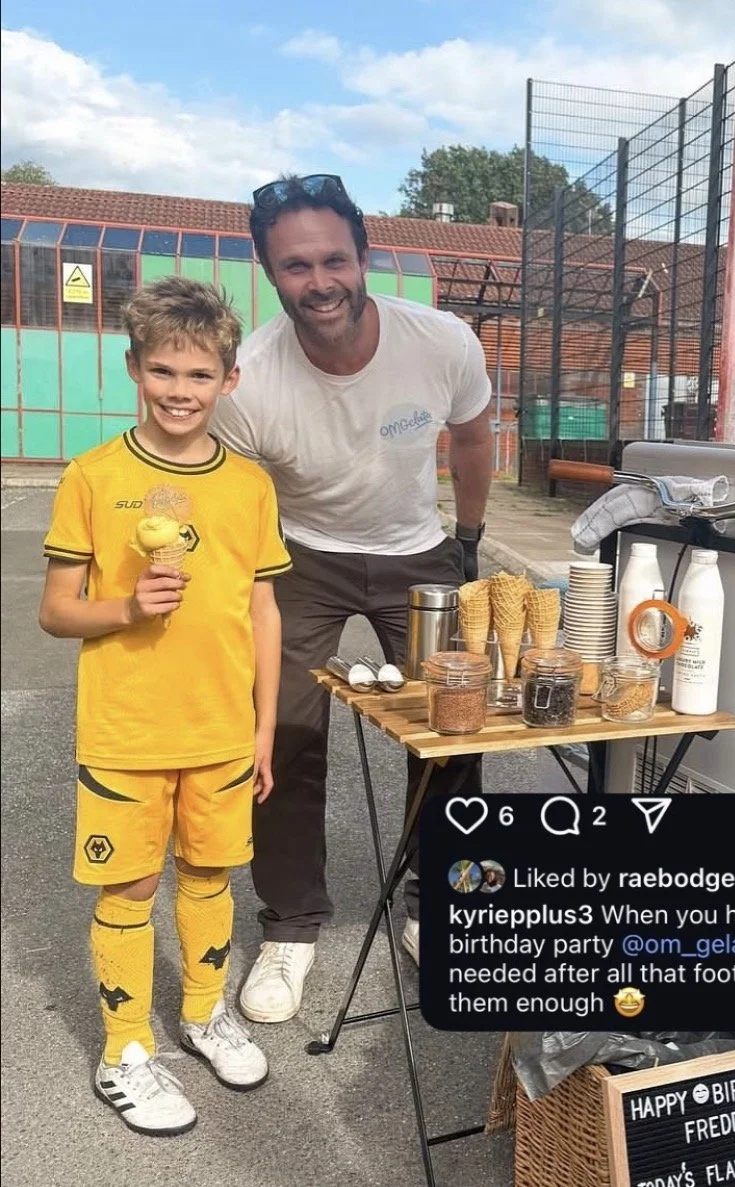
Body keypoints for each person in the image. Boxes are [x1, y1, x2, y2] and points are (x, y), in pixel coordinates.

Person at [210, 173, 494, 1023]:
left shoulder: (441, 341)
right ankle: (291, 924)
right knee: (283, 731)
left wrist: (468, 540)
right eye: (296, 266)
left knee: (453, 728)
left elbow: (473, 437)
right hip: (302, 552)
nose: (320, 281)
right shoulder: (249, 379)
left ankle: (436, 905)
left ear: (365, 257)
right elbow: (238, 500)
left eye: (334, 259)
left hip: (418, 548)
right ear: (271, 273)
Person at [39, 277, 291, 1135]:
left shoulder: (249, 485)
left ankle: (204, 1012)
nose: (180, 391)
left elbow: (263, 610)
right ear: (133, 369)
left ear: (229, 379)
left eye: (199, 374)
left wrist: (263, 725)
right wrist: (125, 607)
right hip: (127, 730)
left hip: (221, 729)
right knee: (132, 884)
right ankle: (124, 1051)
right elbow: (55, 610)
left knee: (212, 874)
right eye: (163, 371)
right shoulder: (93, 475)